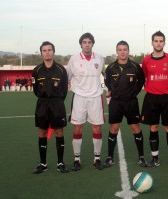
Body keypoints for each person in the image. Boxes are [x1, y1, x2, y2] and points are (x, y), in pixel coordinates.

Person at [141, 31, 168, 168]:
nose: (158, 43)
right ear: (152, 43)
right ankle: (155, 159)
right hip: (151, 98)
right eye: (156, 41)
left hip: (167, 98)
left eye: (161, 41)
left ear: (164, 43)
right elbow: (145, 76)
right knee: (153, 127)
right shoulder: (146, 60)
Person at [103, 41, 147, 168]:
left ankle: (141, 157)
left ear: (128, 51)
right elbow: (107, 82)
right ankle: (110, 157)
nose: (122, 52)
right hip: (116, 102)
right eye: (120, 49)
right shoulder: (111, 67)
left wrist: (134, 92)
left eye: (125, 49)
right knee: (114, 129)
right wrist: (115, 91)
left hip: (131, 102)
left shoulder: (135, 66)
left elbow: (141, 80)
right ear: (117, 51)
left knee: (135, 128)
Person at [66, 32, 105, 171]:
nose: (87, 44)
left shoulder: (100, 58)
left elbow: (104, 74)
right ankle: (77, 160)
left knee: (97, 127)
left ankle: (97, 159)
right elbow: (67, 77)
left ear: (92, 44)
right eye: (84, 42)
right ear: (81, 44)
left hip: (95, 97)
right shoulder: (73, 59)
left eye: (89, 42)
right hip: (79, 97)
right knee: (77, 127)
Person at [32, 41, 69, 174]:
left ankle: (60, 163)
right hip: (42, 104)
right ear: (41, 53)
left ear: (53, 52)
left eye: (49, 50)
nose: (47, 52)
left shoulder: (61, 70)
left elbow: (64, 89)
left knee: (59, 132)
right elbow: (35, 89)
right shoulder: (36, 70)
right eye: (44, 50)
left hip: (57, 104)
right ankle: (43, 163)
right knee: (42, 132)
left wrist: (57, 100)